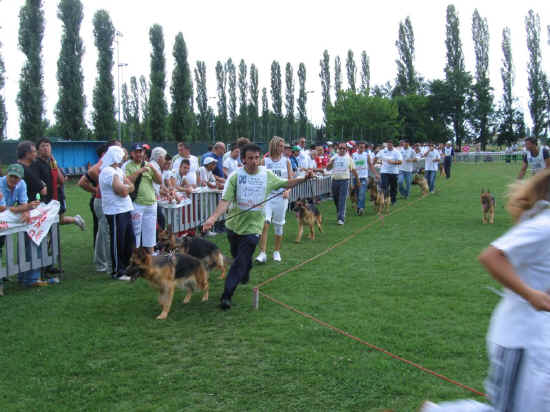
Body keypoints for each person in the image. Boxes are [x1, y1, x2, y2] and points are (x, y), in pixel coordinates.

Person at [421, 169, 550, 412]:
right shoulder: (544, 226)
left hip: (539, 339)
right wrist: (532, 294)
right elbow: (492, 257)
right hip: (520, 340)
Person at [202, 143, 314, 310]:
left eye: (256, 158)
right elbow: (225, 201)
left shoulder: (266, 175)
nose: (254, 161)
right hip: (233, 225)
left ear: (260, 158)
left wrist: (303, 178)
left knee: (239, 261)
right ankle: (246, 269)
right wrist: (212, 218)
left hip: (254, 227)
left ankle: (226, 296)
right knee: (239, 258)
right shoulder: (235, 177)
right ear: (243, 160)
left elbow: (286, 183)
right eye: (250, 158)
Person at [0, 164, 44, 286]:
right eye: (11, 176)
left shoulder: (22, 184)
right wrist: (24, 208)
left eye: (16, 177)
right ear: (7, 174)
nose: (13, 179)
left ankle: (27, 278)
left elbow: (23, 201)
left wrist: (25, 210)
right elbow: (4, 208)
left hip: (6, 218)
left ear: (21, 178)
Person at [99, 146, 135, 281]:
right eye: (122, 154)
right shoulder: (108, 171)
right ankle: (117, 271)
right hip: (115, 211)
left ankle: (127, 268)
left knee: (128, 240)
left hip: (125, 209)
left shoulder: (118, 170)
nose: (124, 156)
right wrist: (126, 188)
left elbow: (130, 186)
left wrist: (126, 188)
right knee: (117, 241)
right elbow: (123, 190)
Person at [32, 138, 85, 231]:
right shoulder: (35, 163)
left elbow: (61, 180)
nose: (46, 148)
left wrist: (54, 164)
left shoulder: (52, 162)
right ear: (38, 150)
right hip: (43, 198)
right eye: (43, 146)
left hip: (57, 196)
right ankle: (75, 220)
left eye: (48, 145)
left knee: (59, 220)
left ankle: (75, 219)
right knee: (48, 221)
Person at [256, 136, 293, 263]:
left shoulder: (286, 161)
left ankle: (276, 251)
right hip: (267, 198)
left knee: (278, 225)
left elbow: (291, 180)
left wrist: (287, 191)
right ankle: (262, 253)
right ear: (274, 146)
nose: (283, 148)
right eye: (281, 146)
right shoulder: (264, 161)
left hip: (281, 198)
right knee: (265, 224)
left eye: (283, 146)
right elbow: (259, 178)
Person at [124, 143, 162, 253]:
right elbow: (128, 180)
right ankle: (136, 256)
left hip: (151, 203)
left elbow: (159, 181)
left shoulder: (149, 164)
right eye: (137, 152)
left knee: (150, 231)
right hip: (137, 203)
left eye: (141, 151)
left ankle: (151, 254)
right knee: (136, 231)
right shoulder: (128, 165)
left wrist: (153, 170)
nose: (139, 154)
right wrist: (139, 171)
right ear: (132, 153)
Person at [327, 142, 359, 225]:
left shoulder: (349, 158)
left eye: (343, 148)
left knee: (342, 199)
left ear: (346, 149)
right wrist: (330, 164)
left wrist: (357, 179)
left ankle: (341, 218)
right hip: (335, 180)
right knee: (335, 198)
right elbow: (327, 168)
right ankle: (339, 211)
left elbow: (353, 170)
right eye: (340, 148)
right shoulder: (334, 157)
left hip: (344, 180)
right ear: (338, 149)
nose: (341, 150)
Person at [352, 141, 379, 214]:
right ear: (358, 147)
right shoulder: (353, 155)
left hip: (364, 177)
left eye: (363, 147)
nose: (362, 149)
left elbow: (370, 165)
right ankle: (359, 206)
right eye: (361, 147)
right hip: (355, 177)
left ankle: (361, 208)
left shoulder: (366, 155)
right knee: (357, 193)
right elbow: (351, 166)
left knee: (362, 192)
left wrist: (375, 173)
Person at [376, 140, 403, 205]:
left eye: (390, 145)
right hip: (384, 172)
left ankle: (393, 200)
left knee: (393, 187)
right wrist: (374, 163)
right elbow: (376, 157)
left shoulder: (396, 152)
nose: (389, 146)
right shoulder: (382, 151)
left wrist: (393, 162)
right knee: (384, 186)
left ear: (392, 145)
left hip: (394, 172)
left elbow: (400, 161)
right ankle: (384, 199)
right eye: (388, 145)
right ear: (387, 145)